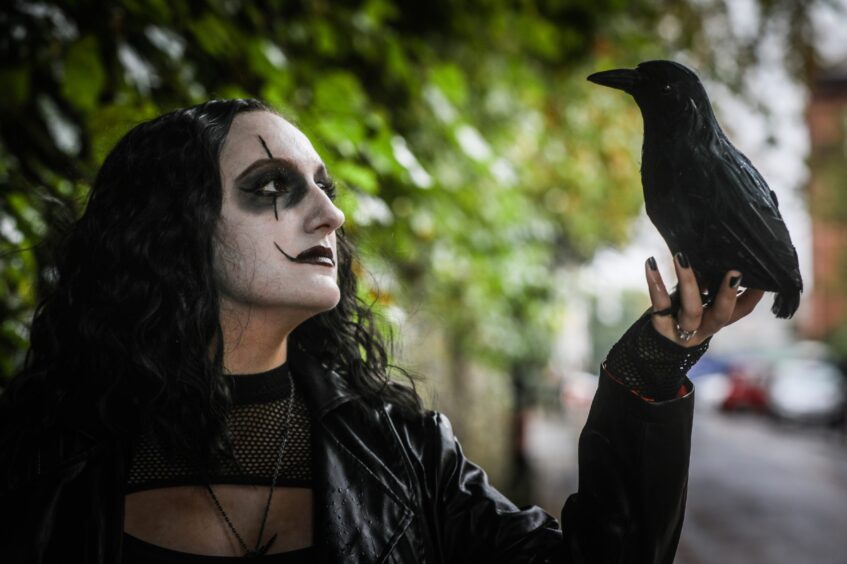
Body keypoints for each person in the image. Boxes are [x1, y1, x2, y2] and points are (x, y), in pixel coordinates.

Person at [0, 99, 764, 563]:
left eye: (325, 190)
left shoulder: (403, 454)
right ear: (170, 229)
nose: (329, 215)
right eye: (272, 187)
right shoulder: (39, 453)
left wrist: (650, 366)